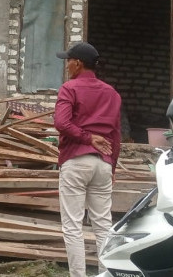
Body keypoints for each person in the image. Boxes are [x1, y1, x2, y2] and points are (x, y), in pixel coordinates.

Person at [54, 42, 121, 277]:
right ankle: (106, 274)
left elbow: (61, 123)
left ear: (78, 63)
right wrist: (111, 166)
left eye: (68, 61)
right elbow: (115, 135)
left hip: (75, 161)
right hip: (102, 164)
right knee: (103, 225)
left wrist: (87, 137)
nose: (67, 66)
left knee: (73, 226)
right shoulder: (111, 93)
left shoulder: (69, 88)